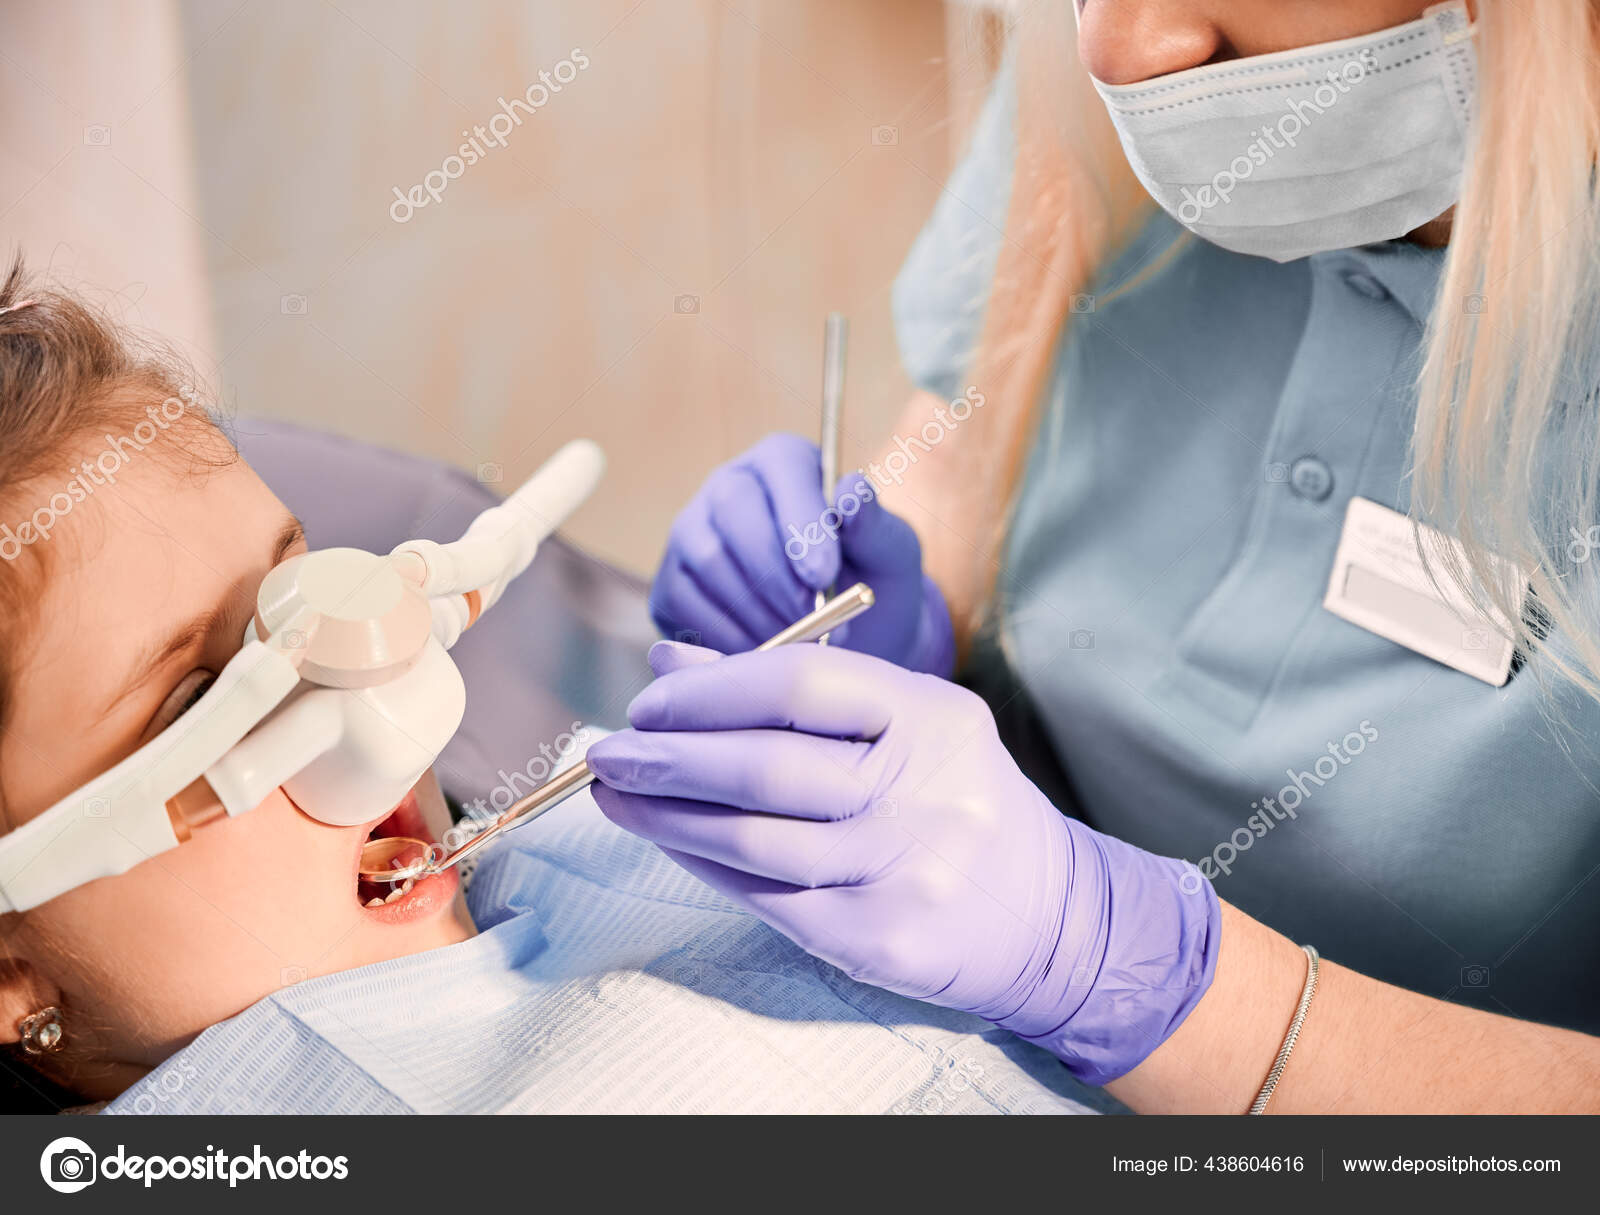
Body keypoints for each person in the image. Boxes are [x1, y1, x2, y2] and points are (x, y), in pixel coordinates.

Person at [587, 0, 1600, 1112]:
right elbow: (964, 448)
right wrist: (880, 608)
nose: (1116, 49)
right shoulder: (1145, 100)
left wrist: (1155, 983)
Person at [0, 260, 1088, 1114]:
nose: (370, 703)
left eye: (304, 593)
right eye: (199, 702)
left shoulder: (594, 835)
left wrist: (865, 719)